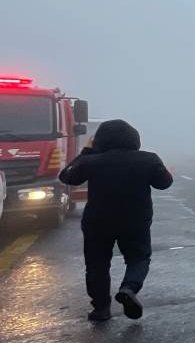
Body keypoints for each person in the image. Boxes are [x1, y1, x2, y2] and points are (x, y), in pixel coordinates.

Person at [58, 119, 173, 322]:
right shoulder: (148, 159)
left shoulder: (91, 160)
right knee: (138, 258)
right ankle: (129, 288)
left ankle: (101, 309)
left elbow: (67, 177)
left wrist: (86, 152)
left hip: (97, 222)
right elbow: (165, 183)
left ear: (99, 141)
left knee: (97, 264)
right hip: (136, 221)